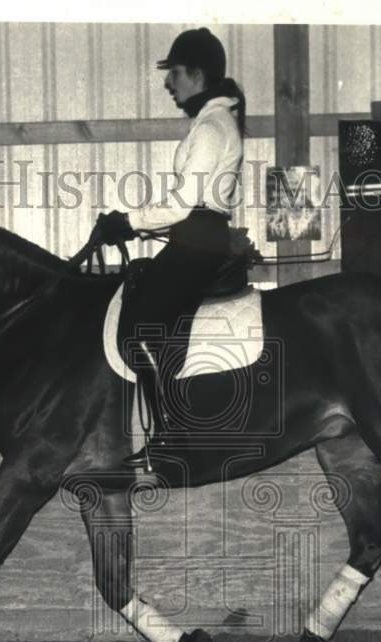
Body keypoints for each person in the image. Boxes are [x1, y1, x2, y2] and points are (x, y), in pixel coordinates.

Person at [96, 28, 246, 471]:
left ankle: (169, 438)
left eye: (175, 73)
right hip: (194, 236)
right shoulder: (211, 122)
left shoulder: (212, 127)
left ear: (197, 75)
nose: (168, 82)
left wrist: (129, 221)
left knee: (139, 324)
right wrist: (138, 227)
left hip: (198, 241)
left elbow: (183, 204)